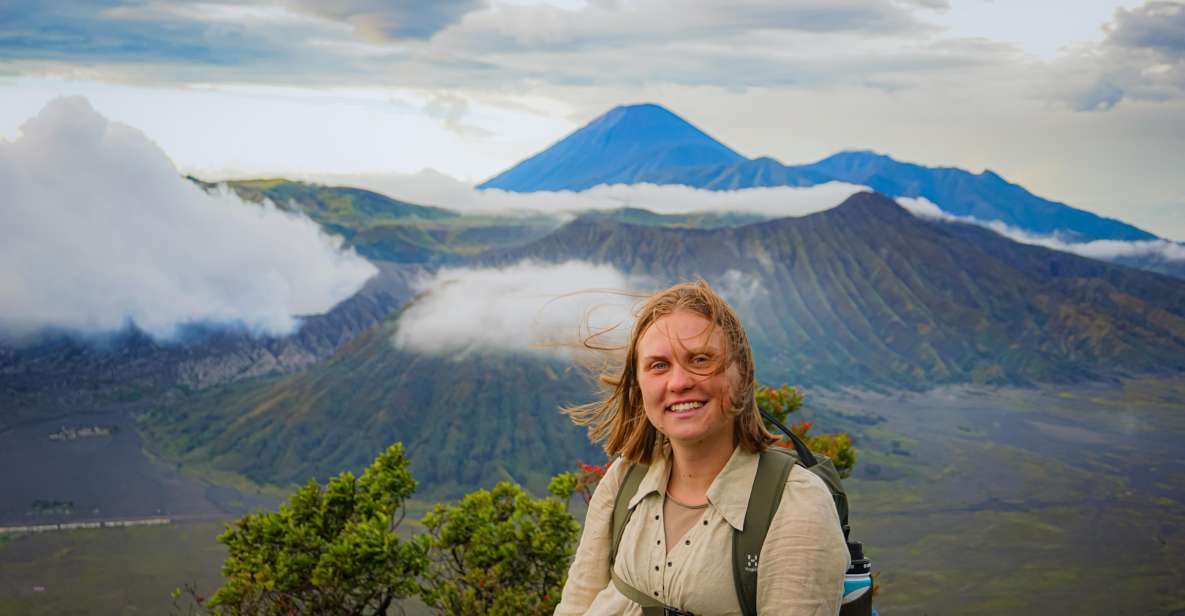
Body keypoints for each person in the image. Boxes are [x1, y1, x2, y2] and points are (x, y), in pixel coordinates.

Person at [555, 280, 849, 616]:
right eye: (658, 365)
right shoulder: (624, 481)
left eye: (700, 359)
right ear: (638, 385)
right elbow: (576, 606)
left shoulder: (794, 504)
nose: (679, 382)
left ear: (743, 375)